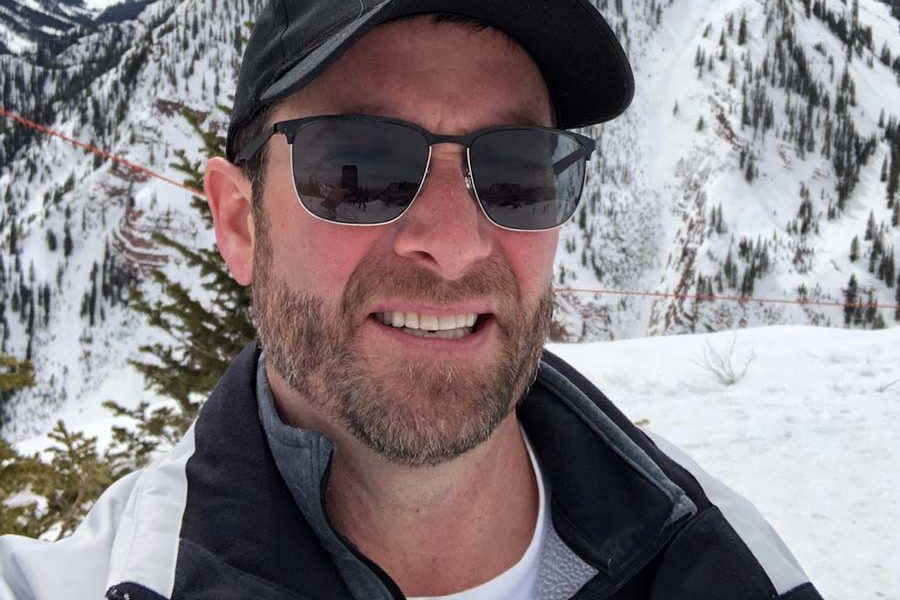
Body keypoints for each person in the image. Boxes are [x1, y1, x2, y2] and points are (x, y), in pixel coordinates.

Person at [0, 1, 824, 599]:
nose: (456, 242)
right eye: (358, 168)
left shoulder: (725, 565)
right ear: (240, 223)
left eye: (514, 171)